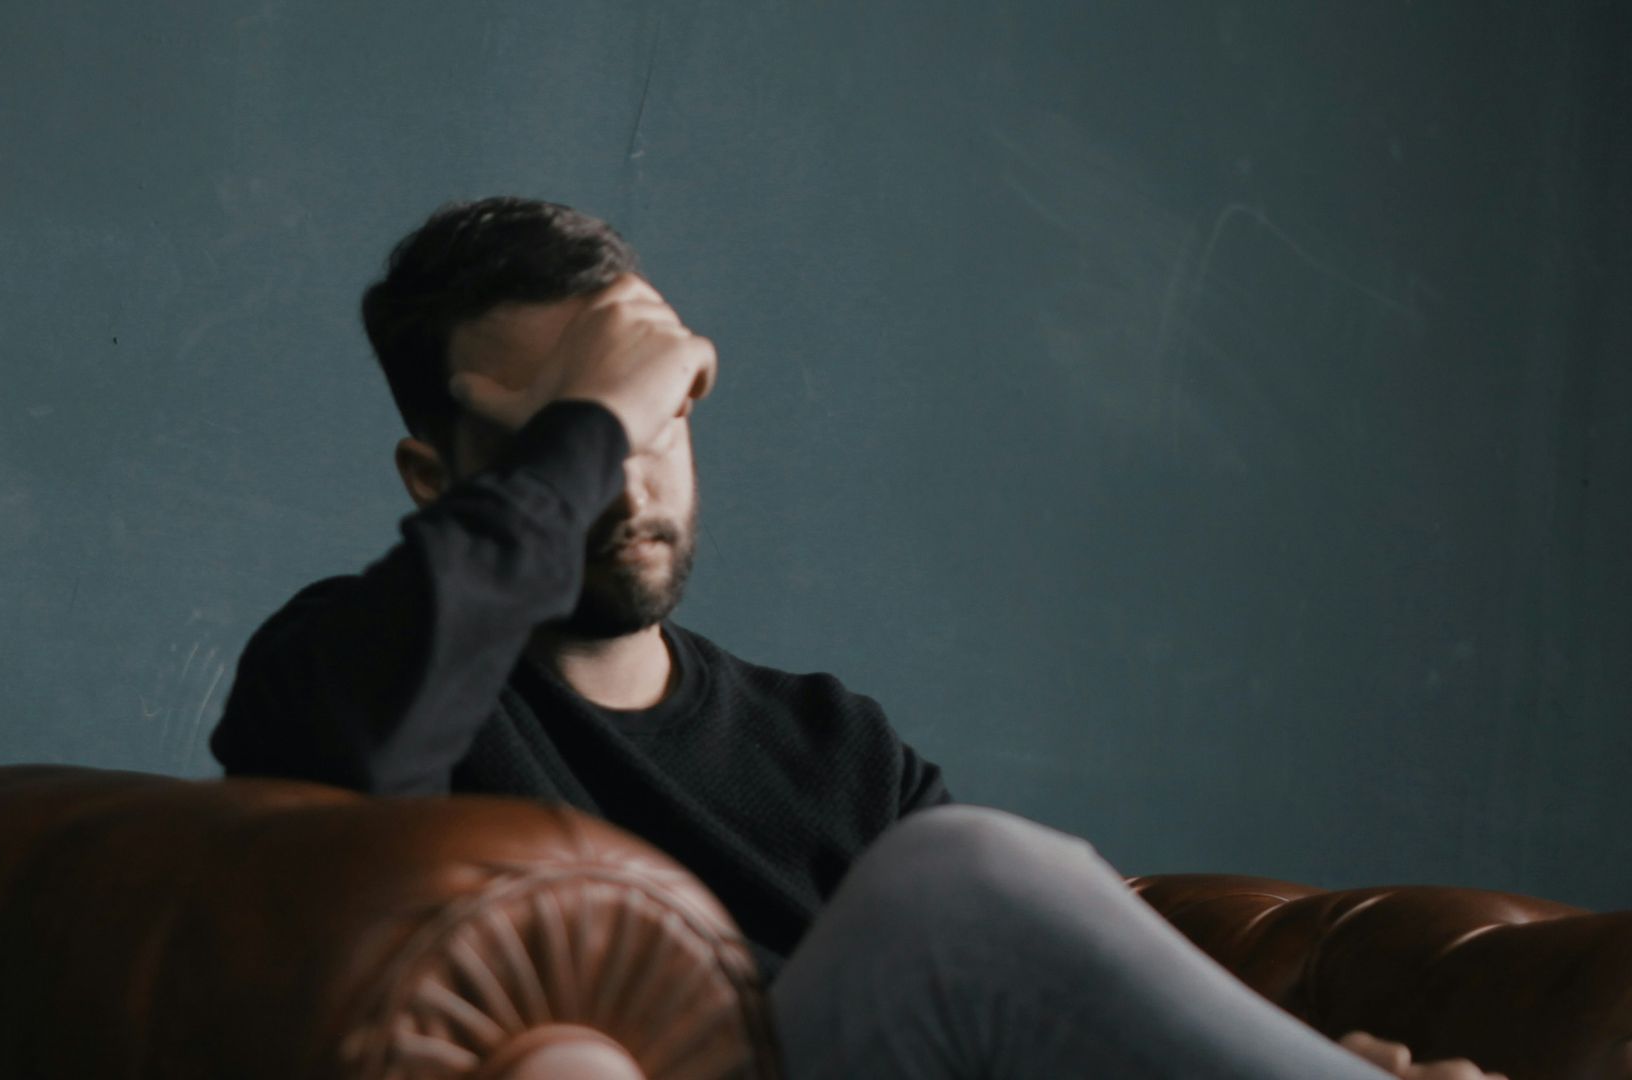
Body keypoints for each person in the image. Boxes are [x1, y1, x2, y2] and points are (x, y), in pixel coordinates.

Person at [209, 196, 1500, 1080]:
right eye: (576, 432)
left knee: (966, 882)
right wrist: (595, 420)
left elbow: (1042, 1003)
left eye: (662, 417)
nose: (629, 478)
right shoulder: (349, 669)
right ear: (438, 479)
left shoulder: (830, 745)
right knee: (962, 881)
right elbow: (360, 766)